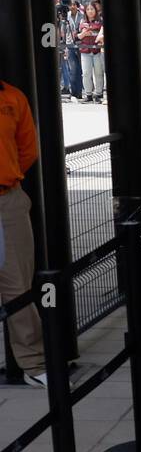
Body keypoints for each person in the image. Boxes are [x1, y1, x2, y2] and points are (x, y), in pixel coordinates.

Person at [0, 78, 45, 385]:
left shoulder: (13, 98)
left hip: (7, 199)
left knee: (18, 284)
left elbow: (28, 150)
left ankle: (34, 364)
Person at [77, 2, 106, 103]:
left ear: (96, 10)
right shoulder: (82, 21)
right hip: (85, 51)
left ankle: (99, 94)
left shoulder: (100, 21)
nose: (90, 11)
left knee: (98, 73)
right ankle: (88, 94)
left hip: (97, 51)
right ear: (85, 11)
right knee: (86, 73)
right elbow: (77, 36)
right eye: (88, 9)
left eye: (92, 9)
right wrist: (84, 33)